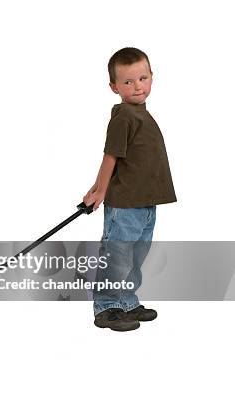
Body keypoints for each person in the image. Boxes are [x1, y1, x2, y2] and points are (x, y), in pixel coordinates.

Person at [83, 47, 176, 332]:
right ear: (114, 87)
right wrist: (99, 190)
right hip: (125, 206)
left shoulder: (141, 114)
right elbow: (111, 156)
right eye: (127, 81)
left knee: (135, 257)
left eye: (142, 78)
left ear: (152, 78)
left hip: (146, 204)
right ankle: (107, 307)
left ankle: (126, 301)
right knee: (117, 256)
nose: (137, 86)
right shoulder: (124, 116)